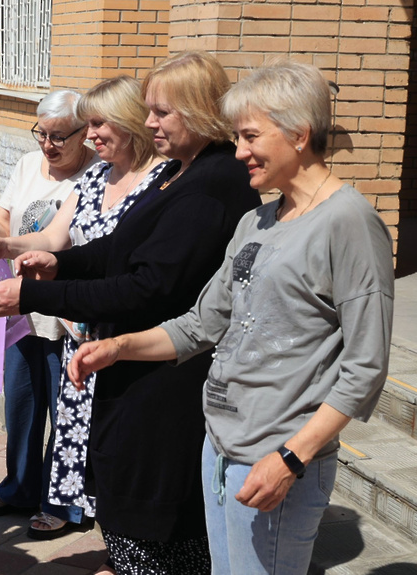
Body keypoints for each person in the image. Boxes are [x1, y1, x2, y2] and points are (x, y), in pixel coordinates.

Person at [69, 60, 394, 575]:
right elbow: (201, 324)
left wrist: (292, 457)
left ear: (298, 133)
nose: (238, 151)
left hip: (277, 456)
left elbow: (366, 366)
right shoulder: (256, 221)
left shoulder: (349, 222)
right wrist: (118, 347)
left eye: (249, 136)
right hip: (219, 447)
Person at [0, 51, 261, 573]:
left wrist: (32, 296)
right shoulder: (181, 171)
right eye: (147, 110)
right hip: (130, 361)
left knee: (154, 510)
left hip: (165, 373)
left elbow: (148, 287)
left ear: (197, 110)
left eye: (161, 112)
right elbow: (118, 247)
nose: (150, 123)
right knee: (121, 486)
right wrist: (60, 264)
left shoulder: (212, 183)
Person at [0, 79, 169, 551]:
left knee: (100, 430)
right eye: (44, 133)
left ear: (127, 122)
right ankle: (66, 511)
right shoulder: (95, 180)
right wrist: (5, 246)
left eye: (95, 125)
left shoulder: (162, 180)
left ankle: (83, 514)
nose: (90, 136)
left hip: (114, 326)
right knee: (42, 410)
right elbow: (54, 238)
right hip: (69, 315)